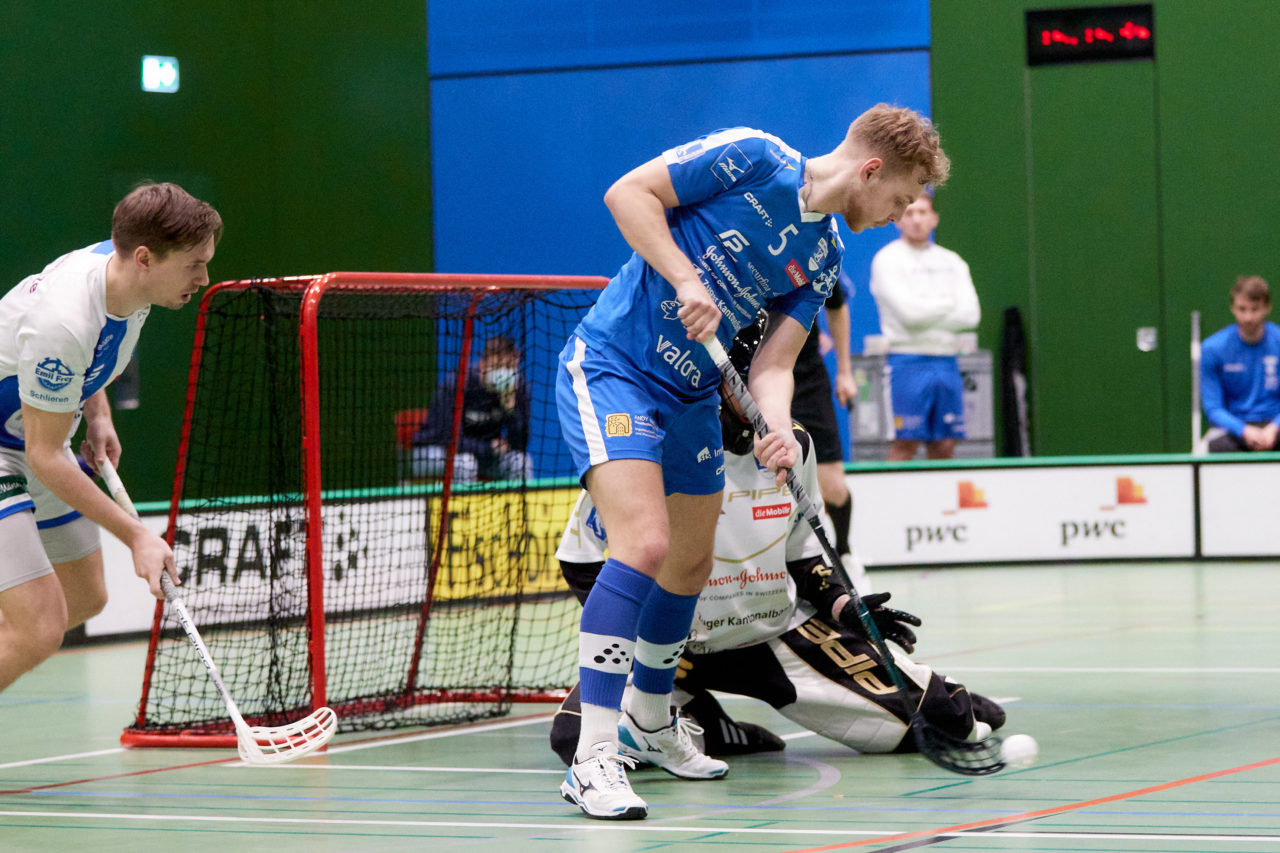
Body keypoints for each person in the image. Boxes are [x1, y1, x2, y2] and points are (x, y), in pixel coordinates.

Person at [555, 104, 949, 821]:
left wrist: (773, 426)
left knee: (690, 565)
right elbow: (627, 194)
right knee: (645, 544)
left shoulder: (824, 255)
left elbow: (773, 364)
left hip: (695, 395)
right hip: (616, 369)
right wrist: (684, 276)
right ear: (870, 170)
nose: (898, 215)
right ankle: (593, 757)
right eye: (899, 199)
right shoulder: (752, 157)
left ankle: (650, 719)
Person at [551, 323, 1003, 767]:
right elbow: (581, 561)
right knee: (574, 738)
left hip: (774, 635)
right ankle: (710, 723)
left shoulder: (794, 447)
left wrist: (848, 608)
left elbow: (807, 559)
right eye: (746, 382)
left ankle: (914, 688)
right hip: (669, 651)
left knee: (950, 716)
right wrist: (644, 640)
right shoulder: (644, 452)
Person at [0, 182, 222, 693]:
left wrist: (97, 413)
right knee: (38, 630)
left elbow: (95, 356)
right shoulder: (63, 320)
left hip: (34, 438)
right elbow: (46, 454)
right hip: (16, 450)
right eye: (193, 264)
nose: (204, 278)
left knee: (85, 597)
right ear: (145, 257)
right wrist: (137, 536)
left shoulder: (123, 276)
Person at [869, 193, 979, 461]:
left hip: (947, 362)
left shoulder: (953, 262)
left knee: (945, 445)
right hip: (905, 362)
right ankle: (895, 502)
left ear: (934, 219)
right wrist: (947, 303)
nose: (916, 219)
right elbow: (910, 316)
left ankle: (939, 503)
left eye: (922, 213)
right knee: (905, 443)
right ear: (897, 220)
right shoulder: (887, 260)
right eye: (909, 213)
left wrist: (925, 307)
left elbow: (971, 316)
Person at [790, 269, 867, 593]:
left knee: (834, 486)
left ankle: (846, 554)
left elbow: (837, 305)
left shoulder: (817, 250)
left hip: (807, 378)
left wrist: (845, 372)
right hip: (751, 378)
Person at [411, 335, 533, 481]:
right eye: (497, 367)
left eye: (509, 368)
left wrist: (510, 410)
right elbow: (447, 436)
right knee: (465, 463)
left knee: (521, 463)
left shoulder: (517, 388)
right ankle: (459, 504)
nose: (503, 373)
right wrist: (488, 448)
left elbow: (520, 443)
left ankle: (518, 504)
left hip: (485, 457)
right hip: (435, 451)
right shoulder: (458, 383)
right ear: (483, 365)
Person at [1201, 275, 1280, 452]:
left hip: (1274, 425)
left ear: (1267, 308)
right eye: (1242, 309)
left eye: (1255, 309)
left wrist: (1274, 428)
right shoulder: (1212, 348)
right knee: (1204, 450)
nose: (1248, 317)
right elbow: (1213, 408)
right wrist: (1244, 430)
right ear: (1232, 309)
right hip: (1235, 427)